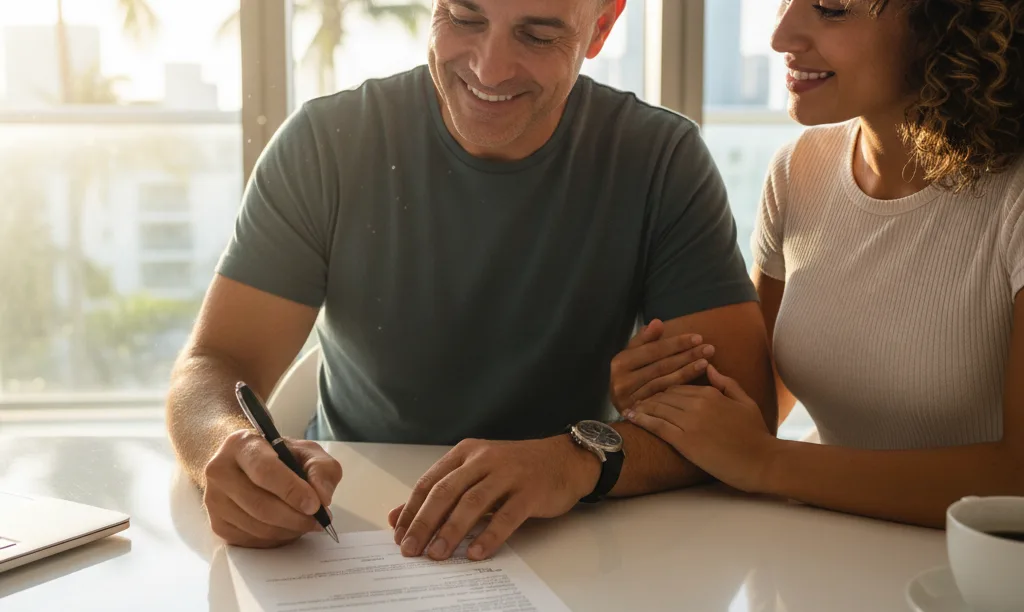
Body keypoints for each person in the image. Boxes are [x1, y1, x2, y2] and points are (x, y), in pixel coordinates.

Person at [166, 0, 778, 561]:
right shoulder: (327, 143)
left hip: (579, 536)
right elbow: (215, 362)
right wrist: (227, 445)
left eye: (538, 35)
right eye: (463, 17)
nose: (490, 67)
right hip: (354, 530)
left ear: (601, 26)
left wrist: (575, 459)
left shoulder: (659, 158)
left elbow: (743, 422)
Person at [612, 0, 1024, 528]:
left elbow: (1018, 478)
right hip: (817, 553)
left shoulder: (1013, 197)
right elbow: (753, 404)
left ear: (945, 27)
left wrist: (767, 462)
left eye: (831, 9)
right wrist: (662, 396)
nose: (781, 35)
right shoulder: (798, 170)